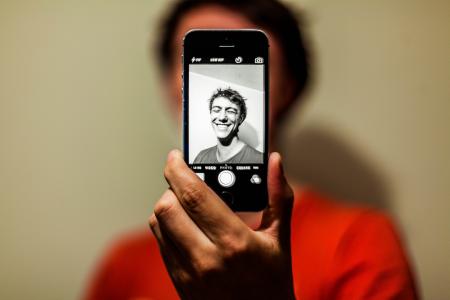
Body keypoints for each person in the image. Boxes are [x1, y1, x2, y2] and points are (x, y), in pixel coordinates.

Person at [85, 0, 419, 299]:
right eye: (200, 63)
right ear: (169, 87)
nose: (222, 81)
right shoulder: (123, 264)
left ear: (288, 88)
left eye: (245, 66)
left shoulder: (360, 242)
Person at [193, 87, 263, 164]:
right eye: (216, 110)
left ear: (240, 118)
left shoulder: (259, 159)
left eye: (230, 111)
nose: (222, 117)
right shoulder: (201, 157)